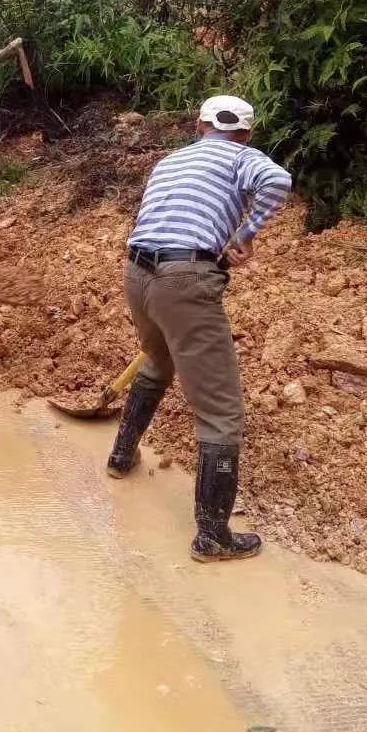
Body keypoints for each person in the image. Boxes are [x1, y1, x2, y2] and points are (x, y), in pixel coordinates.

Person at [108, 94, 292, 563]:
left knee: (159, 357)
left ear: (199, 126)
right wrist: (244, 236)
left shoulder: (173, 159)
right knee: (222, 410)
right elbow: (277, 179)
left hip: (137, 274)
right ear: (246, 134)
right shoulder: (241, 156)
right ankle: (213, 536)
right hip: (185, 278)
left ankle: (121, 454)